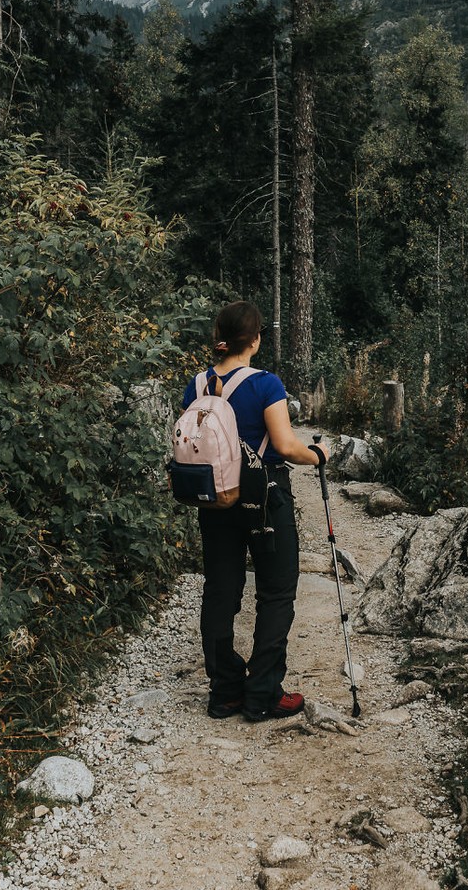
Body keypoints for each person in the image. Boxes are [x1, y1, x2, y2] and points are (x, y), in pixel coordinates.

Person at [181, 300, 330, 723]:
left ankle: (225, 692)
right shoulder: (266, 383)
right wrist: (319, 454)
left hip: (215, 497)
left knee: (220, 589)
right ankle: (262, 692)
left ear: (221, 338)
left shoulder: (197, 385)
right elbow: (285, 446)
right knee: (276, 590)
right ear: (256, 340)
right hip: (264, 496)